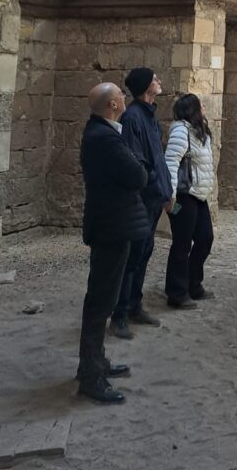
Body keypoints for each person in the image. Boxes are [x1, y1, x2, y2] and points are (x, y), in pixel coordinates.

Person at [77, 83, 150, 403]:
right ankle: (90, 376)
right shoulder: (106, 138)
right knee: (100, 302)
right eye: (119, 94)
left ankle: (96, 362)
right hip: (112, 225)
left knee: (103, 299)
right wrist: (137, 159)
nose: (124, 96)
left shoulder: (103, 134)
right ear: (112, 105)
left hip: (112, 223)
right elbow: (137, 174)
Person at [110, 67, 172, 339]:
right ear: (146, 86)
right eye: (155, 79)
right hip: (142, 198)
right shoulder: (134, 117)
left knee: (144, 253)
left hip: (154, 196)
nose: (159, 81)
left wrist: (165, 189)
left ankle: (135, 305)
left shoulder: (150, 115)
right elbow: (139, 160)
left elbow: (157, 155)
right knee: (132, 257)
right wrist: (153, 182)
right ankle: (120, 313)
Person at [164, 93, 216, 309]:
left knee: (205, 238)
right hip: (184, 196)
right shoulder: (180, 130)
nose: (204, 107)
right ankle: (177, 292)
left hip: (198, 195)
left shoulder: (200, 130)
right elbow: (171, 162)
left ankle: (194, 283)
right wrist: (171, 194)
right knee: (182, 244)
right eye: (201, 104)